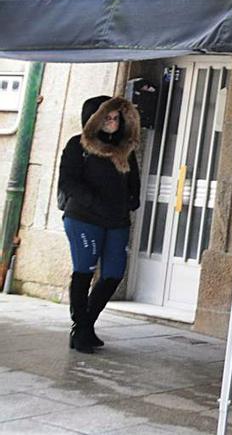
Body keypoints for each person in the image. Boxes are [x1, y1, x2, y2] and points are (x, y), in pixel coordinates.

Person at [57, 95, 141, 354]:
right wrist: (94, 201)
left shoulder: (125, 149)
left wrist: (131, 200)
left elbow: (133, 181)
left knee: (114, 273)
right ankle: (81, 329)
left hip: (116, 221)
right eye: (107, 117)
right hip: (84, 218)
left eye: (116, 118)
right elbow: (68, 181)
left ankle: (85, 324)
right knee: (84, 271)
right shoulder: (78, 145)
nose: (112, 122)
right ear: (94, 119)